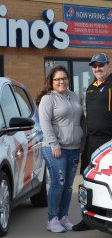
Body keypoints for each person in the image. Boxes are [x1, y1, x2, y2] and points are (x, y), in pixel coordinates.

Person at [36, 65, 84, 233]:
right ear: (51, 81)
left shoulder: (75, 97)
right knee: (58, 183)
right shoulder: (48, 99)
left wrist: (82, 141)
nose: (61, 81)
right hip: (55, 148)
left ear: (68, 79)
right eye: (57, 79)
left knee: (69, 186)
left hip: (73, 148)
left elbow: (81, 119)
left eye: (64, 78)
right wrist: (54, 144)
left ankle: (63, 217)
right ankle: (52, 219)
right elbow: (45, 124)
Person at [73, 53, 112, 231]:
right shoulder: (90, 88)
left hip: (108, 141)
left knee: (106, 181)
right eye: (94, 66)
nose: (98, 69)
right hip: (92, 141)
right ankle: (87, 217)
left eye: (101, 65)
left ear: (108, 66)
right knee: (88, 180)